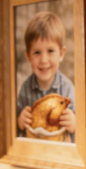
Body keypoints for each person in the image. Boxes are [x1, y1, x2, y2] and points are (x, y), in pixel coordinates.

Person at [16, 12, 76, 140]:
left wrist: (74, 124)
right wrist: (19, 122)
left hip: (60, 153)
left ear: (61, 53)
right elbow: (15, 133)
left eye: (50, 51)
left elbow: (81, 135)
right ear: (28, 57)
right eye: (37, 52)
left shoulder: (68, 89)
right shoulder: (25, 90)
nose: (43, 60)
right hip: (34, 154)